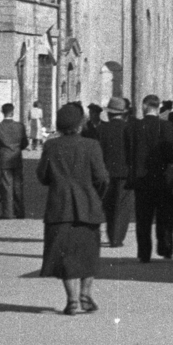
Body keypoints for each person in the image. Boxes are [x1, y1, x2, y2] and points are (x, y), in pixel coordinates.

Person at [37, 102, 109, 314]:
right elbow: (102, 178)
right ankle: (85, 295)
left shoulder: (51, 146)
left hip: (59, 208)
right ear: (80, 124)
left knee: (65, 256)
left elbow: (42, 176)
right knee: (88, 253)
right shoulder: (91, 145)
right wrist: (96, 197)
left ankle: (72, 300)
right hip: (88, 207)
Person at [126, 95, 173, 261]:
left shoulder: (135, 127)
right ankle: (165, 247)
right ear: (159, 107)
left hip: (141, 179)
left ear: (144, 106)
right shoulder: (167, 126)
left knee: (143, 218)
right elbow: (170, 153)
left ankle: (144, 253)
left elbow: (129, 153)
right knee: (165, 215)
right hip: (162, 178)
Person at [98, 96, 133, 247]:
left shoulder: (101, 129)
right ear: (124, 113)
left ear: (109, 113)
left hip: (106, 172)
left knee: (109, 205)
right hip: (125, 172)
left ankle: (111, 234)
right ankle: (117, 238)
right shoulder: (129, 129)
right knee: (123, 206)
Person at [0, 102, 27, 217]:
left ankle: (8, 213)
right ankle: (20, 211)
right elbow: (25, 143)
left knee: (6, 186)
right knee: (18, 186)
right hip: (16, 158)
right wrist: (17, 149)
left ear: (2, 112)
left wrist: (0, 152)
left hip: (3, 159)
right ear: (13, 112)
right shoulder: (20, 126)